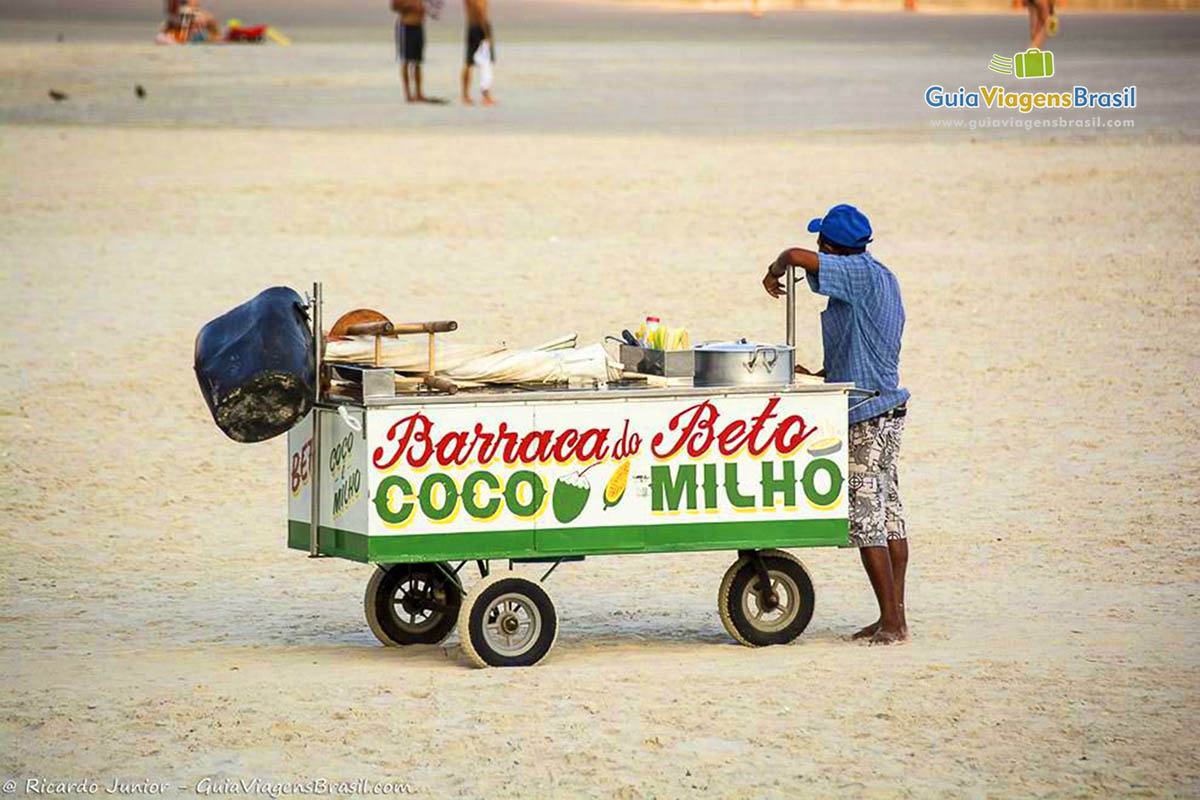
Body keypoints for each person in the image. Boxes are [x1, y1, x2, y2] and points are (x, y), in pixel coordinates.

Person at [761, 204, 911, 645]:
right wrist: (824, 376)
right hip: (885, 407)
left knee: (866, 520)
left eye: (821, 244)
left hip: (868, 415)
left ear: (831, 248)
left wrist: (773, 271)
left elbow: (793, 254)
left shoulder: (857, 273)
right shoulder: (882, 276)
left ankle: (893, 622)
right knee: (889, 518)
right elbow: (869, 347)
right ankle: (893, 616)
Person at [393, 0, 434, 103]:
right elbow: (394, 6)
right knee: (405, 61)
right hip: (406, 26)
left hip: (418, 26)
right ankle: (408, 94)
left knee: (418, 61)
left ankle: (419, 93)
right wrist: (411, 5)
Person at [462, 0, 496, 106]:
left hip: (473, 26)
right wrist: (486, 32)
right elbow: (479, 9)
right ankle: (484, 96)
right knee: (485, 62)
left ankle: (466, 95)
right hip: (479, 27)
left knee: (470, 62)